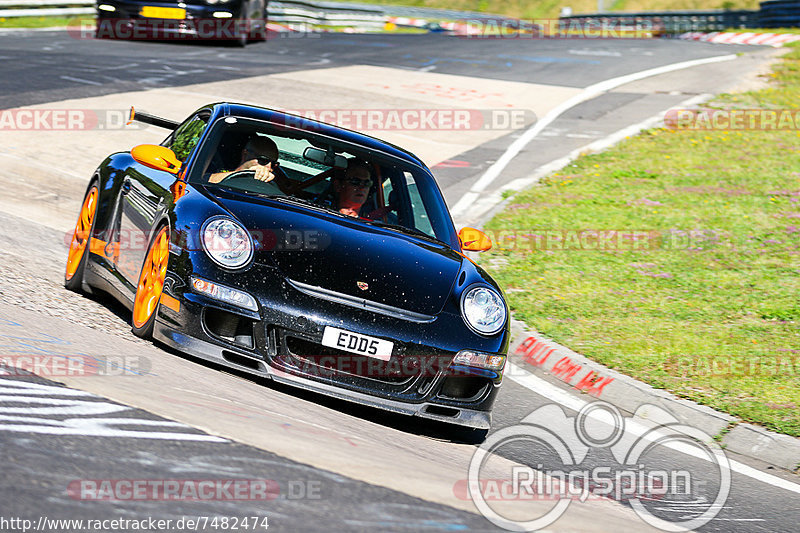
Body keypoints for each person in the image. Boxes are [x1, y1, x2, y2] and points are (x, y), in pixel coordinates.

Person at [208, 135, 283, 185]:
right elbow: (203, 180)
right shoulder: (218, 169)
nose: (269, 168)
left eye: (273, 164)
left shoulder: (274, 182)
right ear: (245, 154)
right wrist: (242, 172)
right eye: (263, 160)